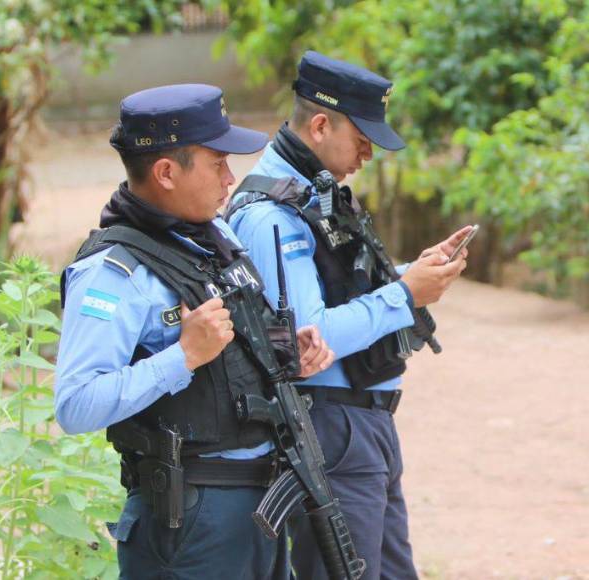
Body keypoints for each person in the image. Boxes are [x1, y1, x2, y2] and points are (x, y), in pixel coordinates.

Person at [54, 84, 335, 579]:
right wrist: (181, 355)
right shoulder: (111, 272)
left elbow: (238, 349)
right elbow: (75, 405)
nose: (231, 178)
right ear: (166, 172)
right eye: (216, 163)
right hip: (190, 520)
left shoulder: (214, 236)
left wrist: (289, 350)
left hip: (260, 503)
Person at [226, 51, 471, 579]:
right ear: (320, 125)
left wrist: (413, 272)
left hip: (364, 422)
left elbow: (336, 288)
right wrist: (405, 293)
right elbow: (308, 341)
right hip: (329, 424)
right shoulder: (270, 215)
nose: (368, 153)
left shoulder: (312, 194)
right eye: (362, 139)